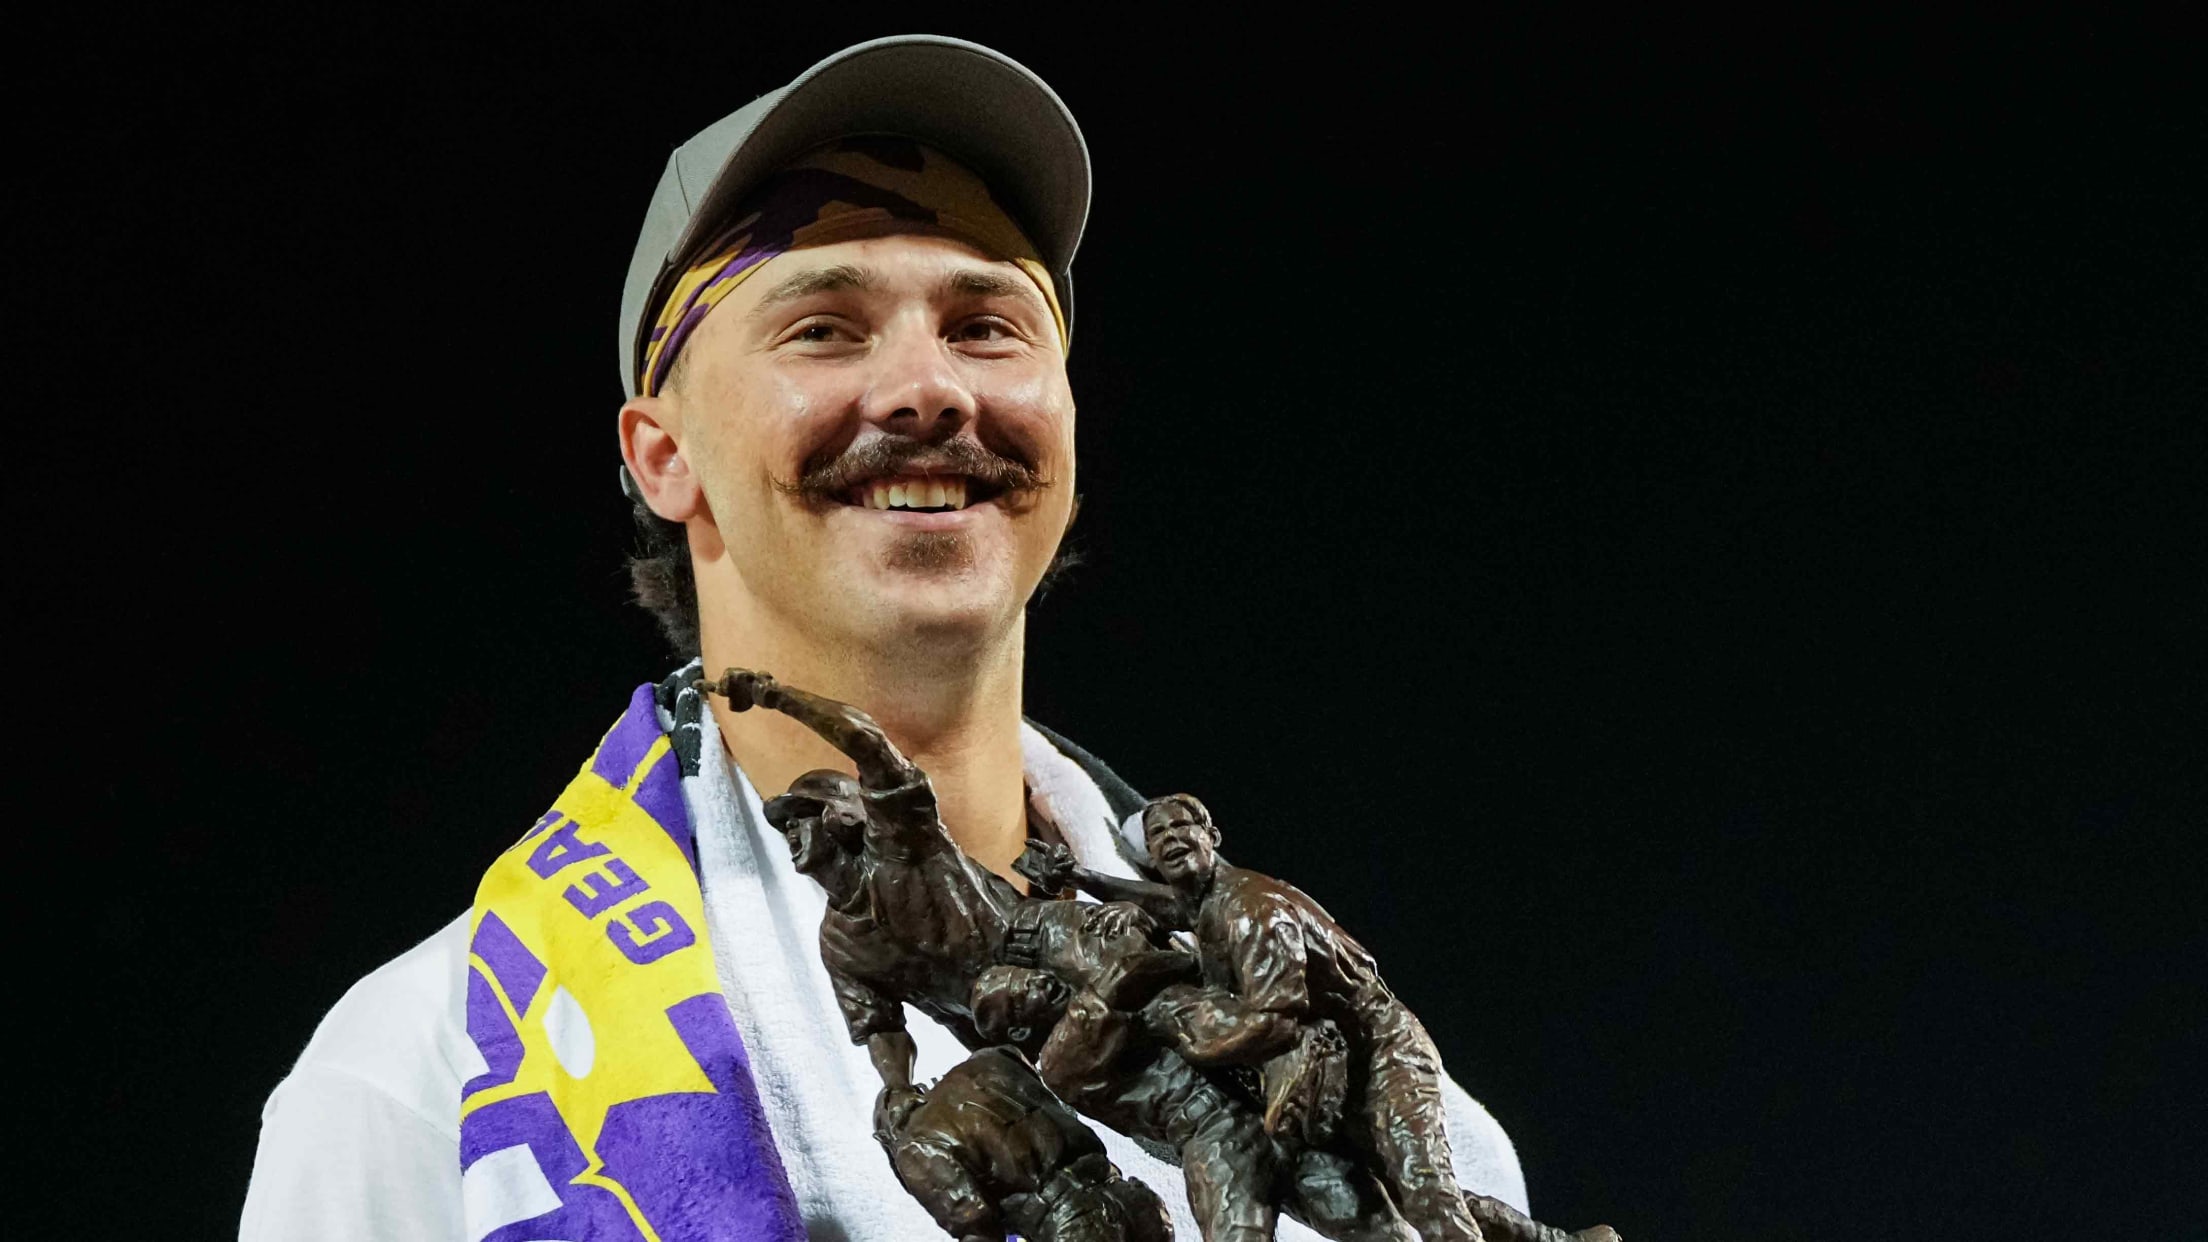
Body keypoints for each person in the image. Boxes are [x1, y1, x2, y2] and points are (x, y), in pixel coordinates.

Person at [239, 34, 1527, 1241]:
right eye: (823, 327)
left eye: (987, 325)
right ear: (664, 454)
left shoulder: (1387, 1103)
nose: (930, 387)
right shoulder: (424, 1085)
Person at [876, 1045, 1173, 1242]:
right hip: (1132, 1200)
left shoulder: (916, 1145)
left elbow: (976, 1228)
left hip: (1075, 1229)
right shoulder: (990, 1059)